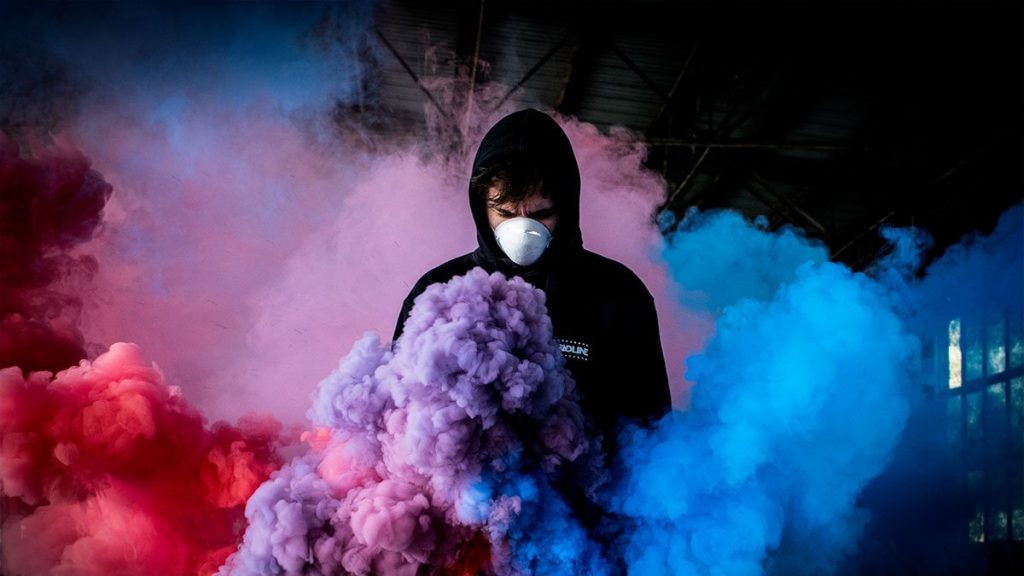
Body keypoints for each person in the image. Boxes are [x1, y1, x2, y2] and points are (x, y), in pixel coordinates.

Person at [393, 108, 670, 447]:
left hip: (585, 491)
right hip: (467, 494)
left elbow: (651, 425)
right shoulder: (437, 290)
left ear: (567, 207)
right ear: (481, 208)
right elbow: (398, 411)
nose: (522, 231)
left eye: (542, 214)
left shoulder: (619, 295)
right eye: (506, 213)